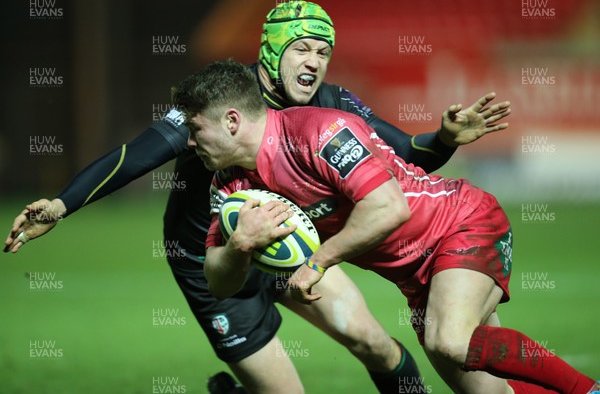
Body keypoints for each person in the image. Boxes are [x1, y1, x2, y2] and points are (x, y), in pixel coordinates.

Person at [4, 1, 511, 394]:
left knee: (375, 346)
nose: (315, 61)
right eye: (302, 48)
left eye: (323, 50)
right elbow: (135, 155)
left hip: (291, 249)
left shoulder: (331, 101)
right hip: (216, 261)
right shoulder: (222, 100)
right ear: (271, 49)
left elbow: (407, 154)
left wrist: (444, 138)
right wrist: (62, 204)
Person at [175, 59, 599, 394]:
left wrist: (317, 263)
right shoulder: (230, 186)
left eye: (195, 129)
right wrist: (240, 245)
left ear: (232, 121)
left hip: (460, 224)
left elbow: (388, 208)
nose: (190, 144)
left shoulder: (320, 131)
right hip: (416, 277)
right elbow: (219, 284)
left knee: (449, 341)